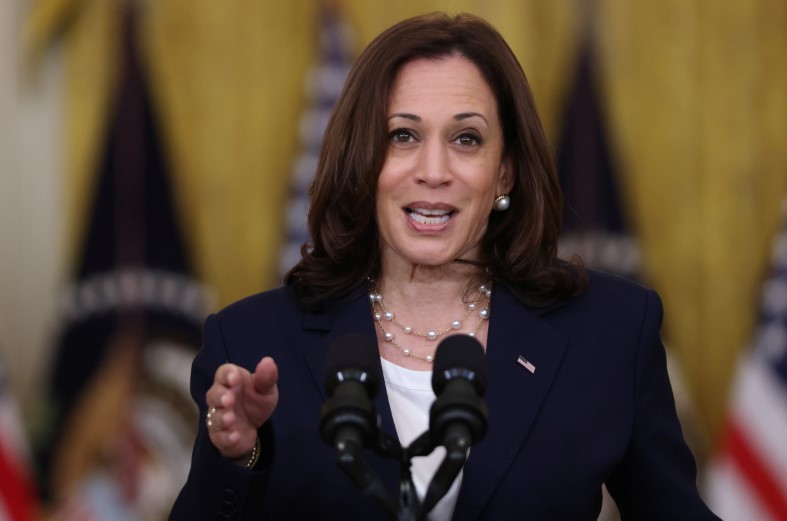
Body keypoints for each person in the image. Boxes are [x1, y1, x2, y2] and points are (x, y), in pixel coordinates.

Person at [170, 12, 720, 521]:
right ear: (364, 161)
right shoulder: (251, 343)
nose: (434, 171)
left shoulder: (611, 331)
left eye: (466, 139)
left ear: (505, 173)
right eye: (402, 136)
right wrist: (236, 457)